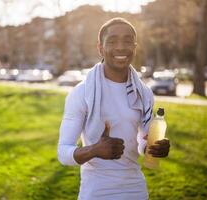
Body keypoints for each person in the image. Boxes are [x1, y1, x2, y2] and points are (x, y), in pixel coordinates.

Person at [58, 17, 170, 200]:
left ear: (135, 47)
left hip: (135, 189)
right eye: (112, 41)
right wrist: (94, 150)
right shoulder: (82, 92)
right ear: (100, 48)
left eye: (127, 41)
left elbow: (143, 143)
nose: (120, 47)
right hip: (96, 191)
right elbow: (63, 152)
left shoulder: (144, 93)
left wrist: (155, 148)